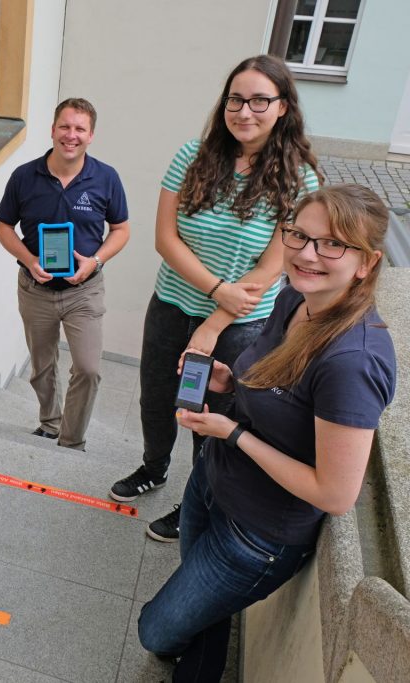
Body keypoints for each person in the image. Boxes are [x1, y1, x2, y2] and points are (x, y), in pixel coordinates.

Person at [138, 184, 397, 681]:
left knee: (155, 632)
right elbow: (280, 390)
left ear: (366, 263)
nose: (306, 254)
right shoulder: (294, 300)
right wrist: (231, 381)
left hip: (255, 535)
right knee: (197, 605)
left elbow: (336, 493)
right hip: (212, 482)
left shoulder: (353, 361)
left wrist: (232, 432)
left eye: (332, 244)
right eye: (298, 235)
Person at [110, 55, 320, 542]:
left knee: (210, 418)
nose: (245, 111)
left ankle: (196, 500)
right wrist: (214, 288)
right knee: (157, 399)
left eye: (260, 101)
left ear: (283, 107)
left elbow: (271, 269)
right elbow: (166, 238)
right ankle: (153, 468)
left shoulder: (301, 180)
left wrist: (212, 323)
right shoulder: (193, 155)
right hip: (171, 306)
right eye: (236, 99)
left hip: (240, 325)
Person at [0, 98, 130, 450]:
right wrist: (28, 260)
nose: (72, 135)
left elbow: (121, 230)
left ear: (91, 135)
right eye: (65, 127)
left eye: (80, 129)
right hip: (35, 289)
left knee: (87, 368)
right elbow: (4, 228)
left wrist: (95, 261)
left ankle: (71, 440)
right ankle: (50, 423)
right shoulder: (25, 176)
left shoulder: (106, 178)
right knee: (42, 365)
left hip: (83, 291)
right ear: (53, 130)